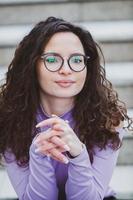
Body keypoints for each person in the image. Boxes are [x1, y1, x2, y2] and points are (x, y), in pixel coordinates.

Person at [0, 16, 132, 200]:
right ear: (32, 65)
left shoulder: (108, 119)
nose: (66, 70)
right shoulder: (8, 120)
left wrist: (78, 154)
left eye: (77, 60)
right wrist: (38, 154)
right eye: (52, 59)